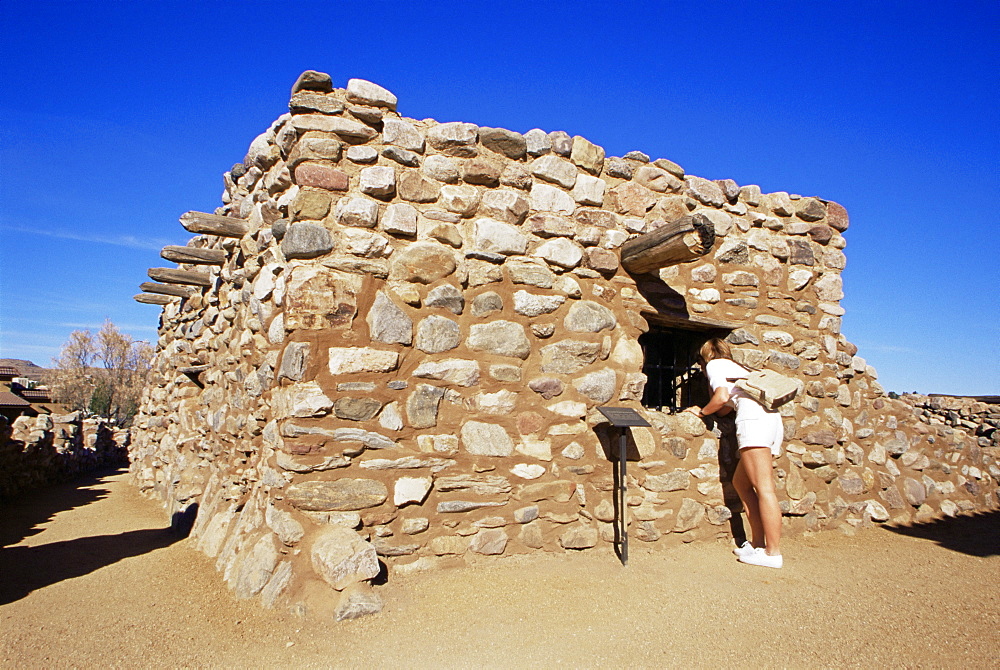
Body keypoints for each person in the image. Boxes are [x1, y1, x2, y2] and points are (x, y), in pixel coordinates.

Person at [685, 338, 784, 569]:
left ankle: (773, 553)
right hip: (770, 420)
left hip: (754, 423)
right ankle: (758, 544)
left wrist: (701, 411)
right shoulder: (739, 368)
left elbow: (720, 398)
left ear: (704, 357)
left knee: (764, 488)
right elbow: (728, 403)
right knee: (742, 484)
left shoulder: (715, 365)